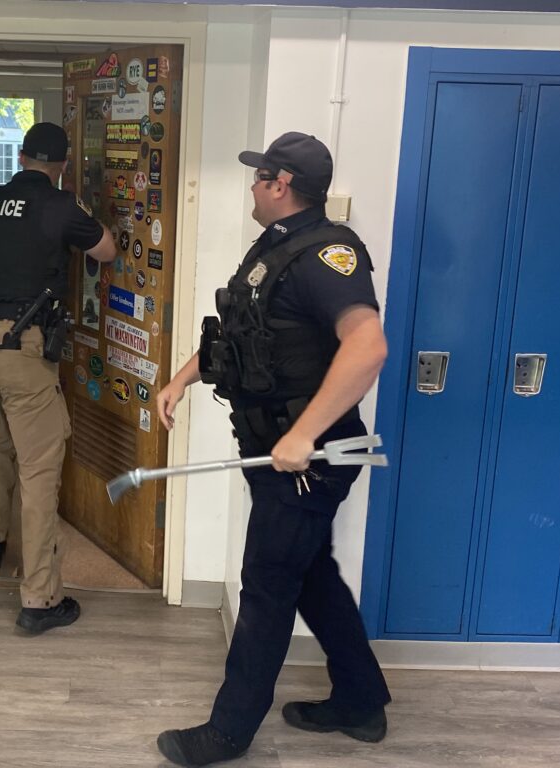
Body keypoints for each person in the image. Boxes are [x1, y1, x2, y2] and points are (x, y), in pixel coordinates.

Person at [154, 132, 391, 765]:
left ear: (281, 183)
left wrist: (304, 434)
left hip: (308, 462)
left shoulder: (328, 255)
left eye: (259, 176)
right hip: (275, 453)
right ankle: (361, 701)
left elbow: (368, 347)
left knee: (265, 584)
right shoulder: (275, 248)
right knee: (310, 574)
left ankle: (228, 733)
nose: (253, 186)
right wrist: (181, 378)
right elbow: (245, 337)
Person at [0, 122, 116, 635]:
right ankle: (41, 599)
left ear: (21, 156)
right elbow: (107, 250)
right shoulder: (60, 205)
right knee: (40, 469)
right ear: (62, 165)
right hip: (17, 347)